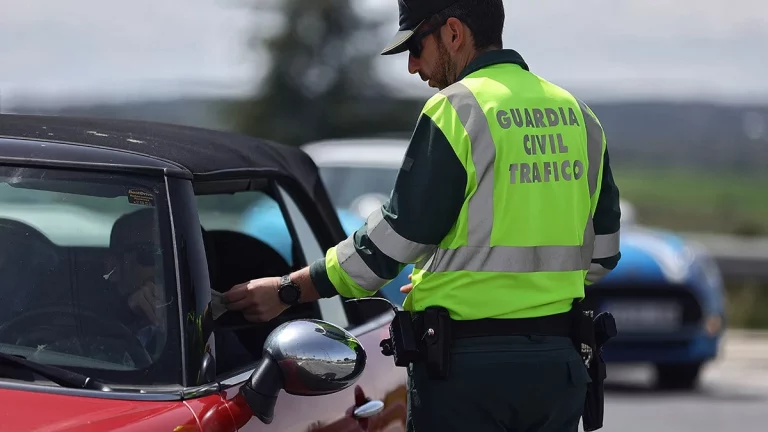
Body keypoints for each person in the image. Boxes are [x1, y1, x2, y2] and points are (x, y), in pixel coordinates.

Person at [223, 0, 622, 430]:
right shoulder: (580, 116)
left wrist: (288, 289)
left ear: (454, 32)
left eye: (416, 46)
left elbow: (389, 246)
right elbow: (602, 256)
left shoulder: (457, 109)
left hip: (468, 377)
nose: (413, 67)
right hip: (556, 372)